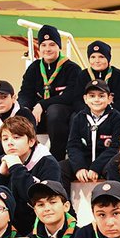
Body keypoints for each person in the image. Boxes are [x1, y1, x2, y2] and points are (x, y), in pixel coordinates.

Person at [0, 115, 62, 235]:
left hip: (36, 219)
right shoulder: (0, 162)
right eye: (5, 139)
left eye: (16, 137)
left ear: (31, 141)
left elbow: (43, 199)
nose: (10, 143)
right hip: (9, 218)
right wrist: (1, 175)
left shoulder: (48, 163)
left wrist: (16, 168)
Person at [18, 24, 83, 159]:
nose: (47, 49)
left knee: (54, 111)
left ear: (59, 46)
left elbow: (70, 96)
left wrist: (42, 104)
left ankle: (57, 157)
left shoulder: (72, 68)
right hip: (39, 114)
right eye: (44, 45)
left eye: (52, 44)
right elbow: (25, 93)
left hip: (62, 114)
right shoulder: (34, 68)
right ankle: (26, 157)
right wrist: (25, 108)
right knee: (21, 114)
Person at [63, 78, 120, 188]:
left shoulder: (117, 118)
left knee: (114, 168)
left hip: (105, 162)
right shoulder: (79, 118)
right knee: (61, 168)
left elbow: (116, 147)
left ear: (110, 99)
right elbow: (73, 146)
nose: (96, 100)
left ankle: (115, 201)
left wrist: (96, 167)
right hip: (85, 161)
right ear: (85, 99)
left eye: (101, 96)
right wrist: (79, 167)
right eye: (92, 96)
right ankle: (65, 202)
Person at [83, 39, 120, 112]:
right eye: (93, 57)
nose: (97, 61)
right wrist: (93, 111)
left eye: (101, 57)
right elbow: (77, 101)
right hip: (89, 113)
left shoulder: (118, 75)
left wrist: (106, 111)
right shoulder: (83, 75)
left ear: (108, 58)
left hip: (112, 113)